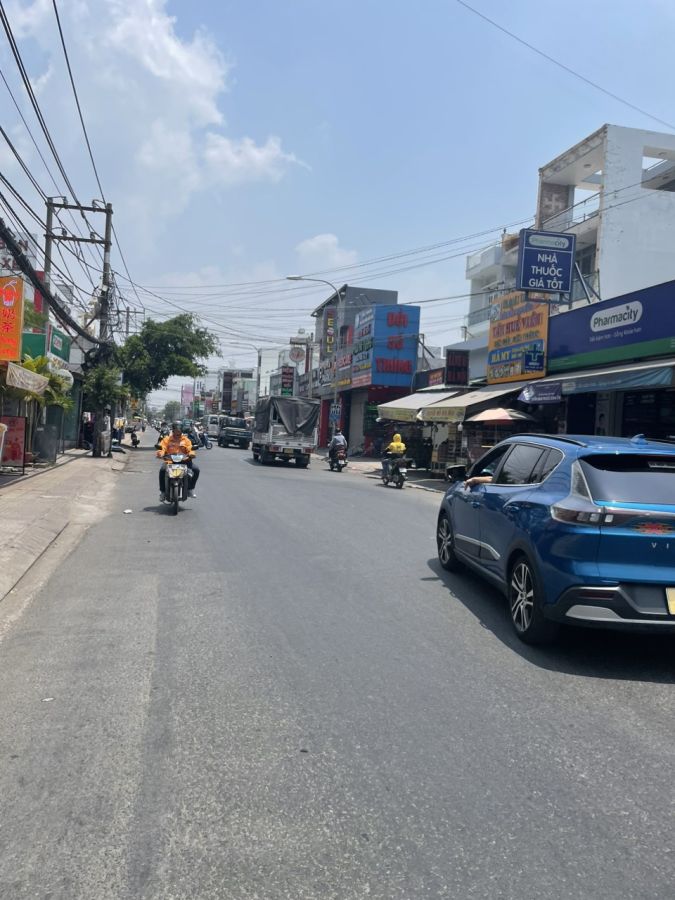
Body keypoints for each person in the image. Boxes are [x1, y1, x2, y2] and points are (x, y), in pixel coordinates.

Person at [156, 421, 200, 501]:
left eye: (179, 430)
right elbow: (162, 447)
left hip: (184, 461)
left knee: (196, 470)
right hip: (170, 461)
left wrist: (191, 453)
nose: (177, 431)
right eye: (176, 429)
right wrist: (160, 453)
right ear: (173, 430)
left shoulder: (186, 440)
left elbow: (190, 448)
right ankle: (163, 492)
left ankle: (190, 489)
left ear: (181, 430)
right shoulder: (167, 439)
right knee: (162, 470)